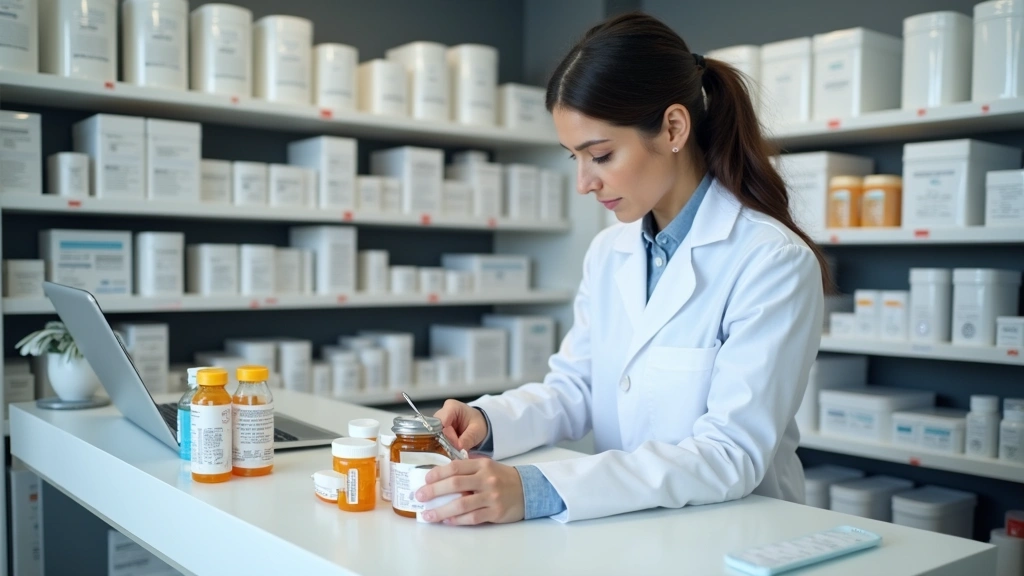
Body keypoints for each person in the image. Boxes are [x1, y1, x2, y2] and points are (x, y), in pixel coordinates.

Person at [414, 11, 828, 525]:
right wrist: (486, 419)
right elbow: (578, 388)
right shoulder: (610, 252)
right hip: (630, 528)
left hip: (736, 534)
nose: (584, 183)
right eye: (574, 158)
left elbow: (730, 455)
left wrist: (536, 489)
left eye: (601, 155)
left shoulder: (771, 262)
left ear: (674, 127)